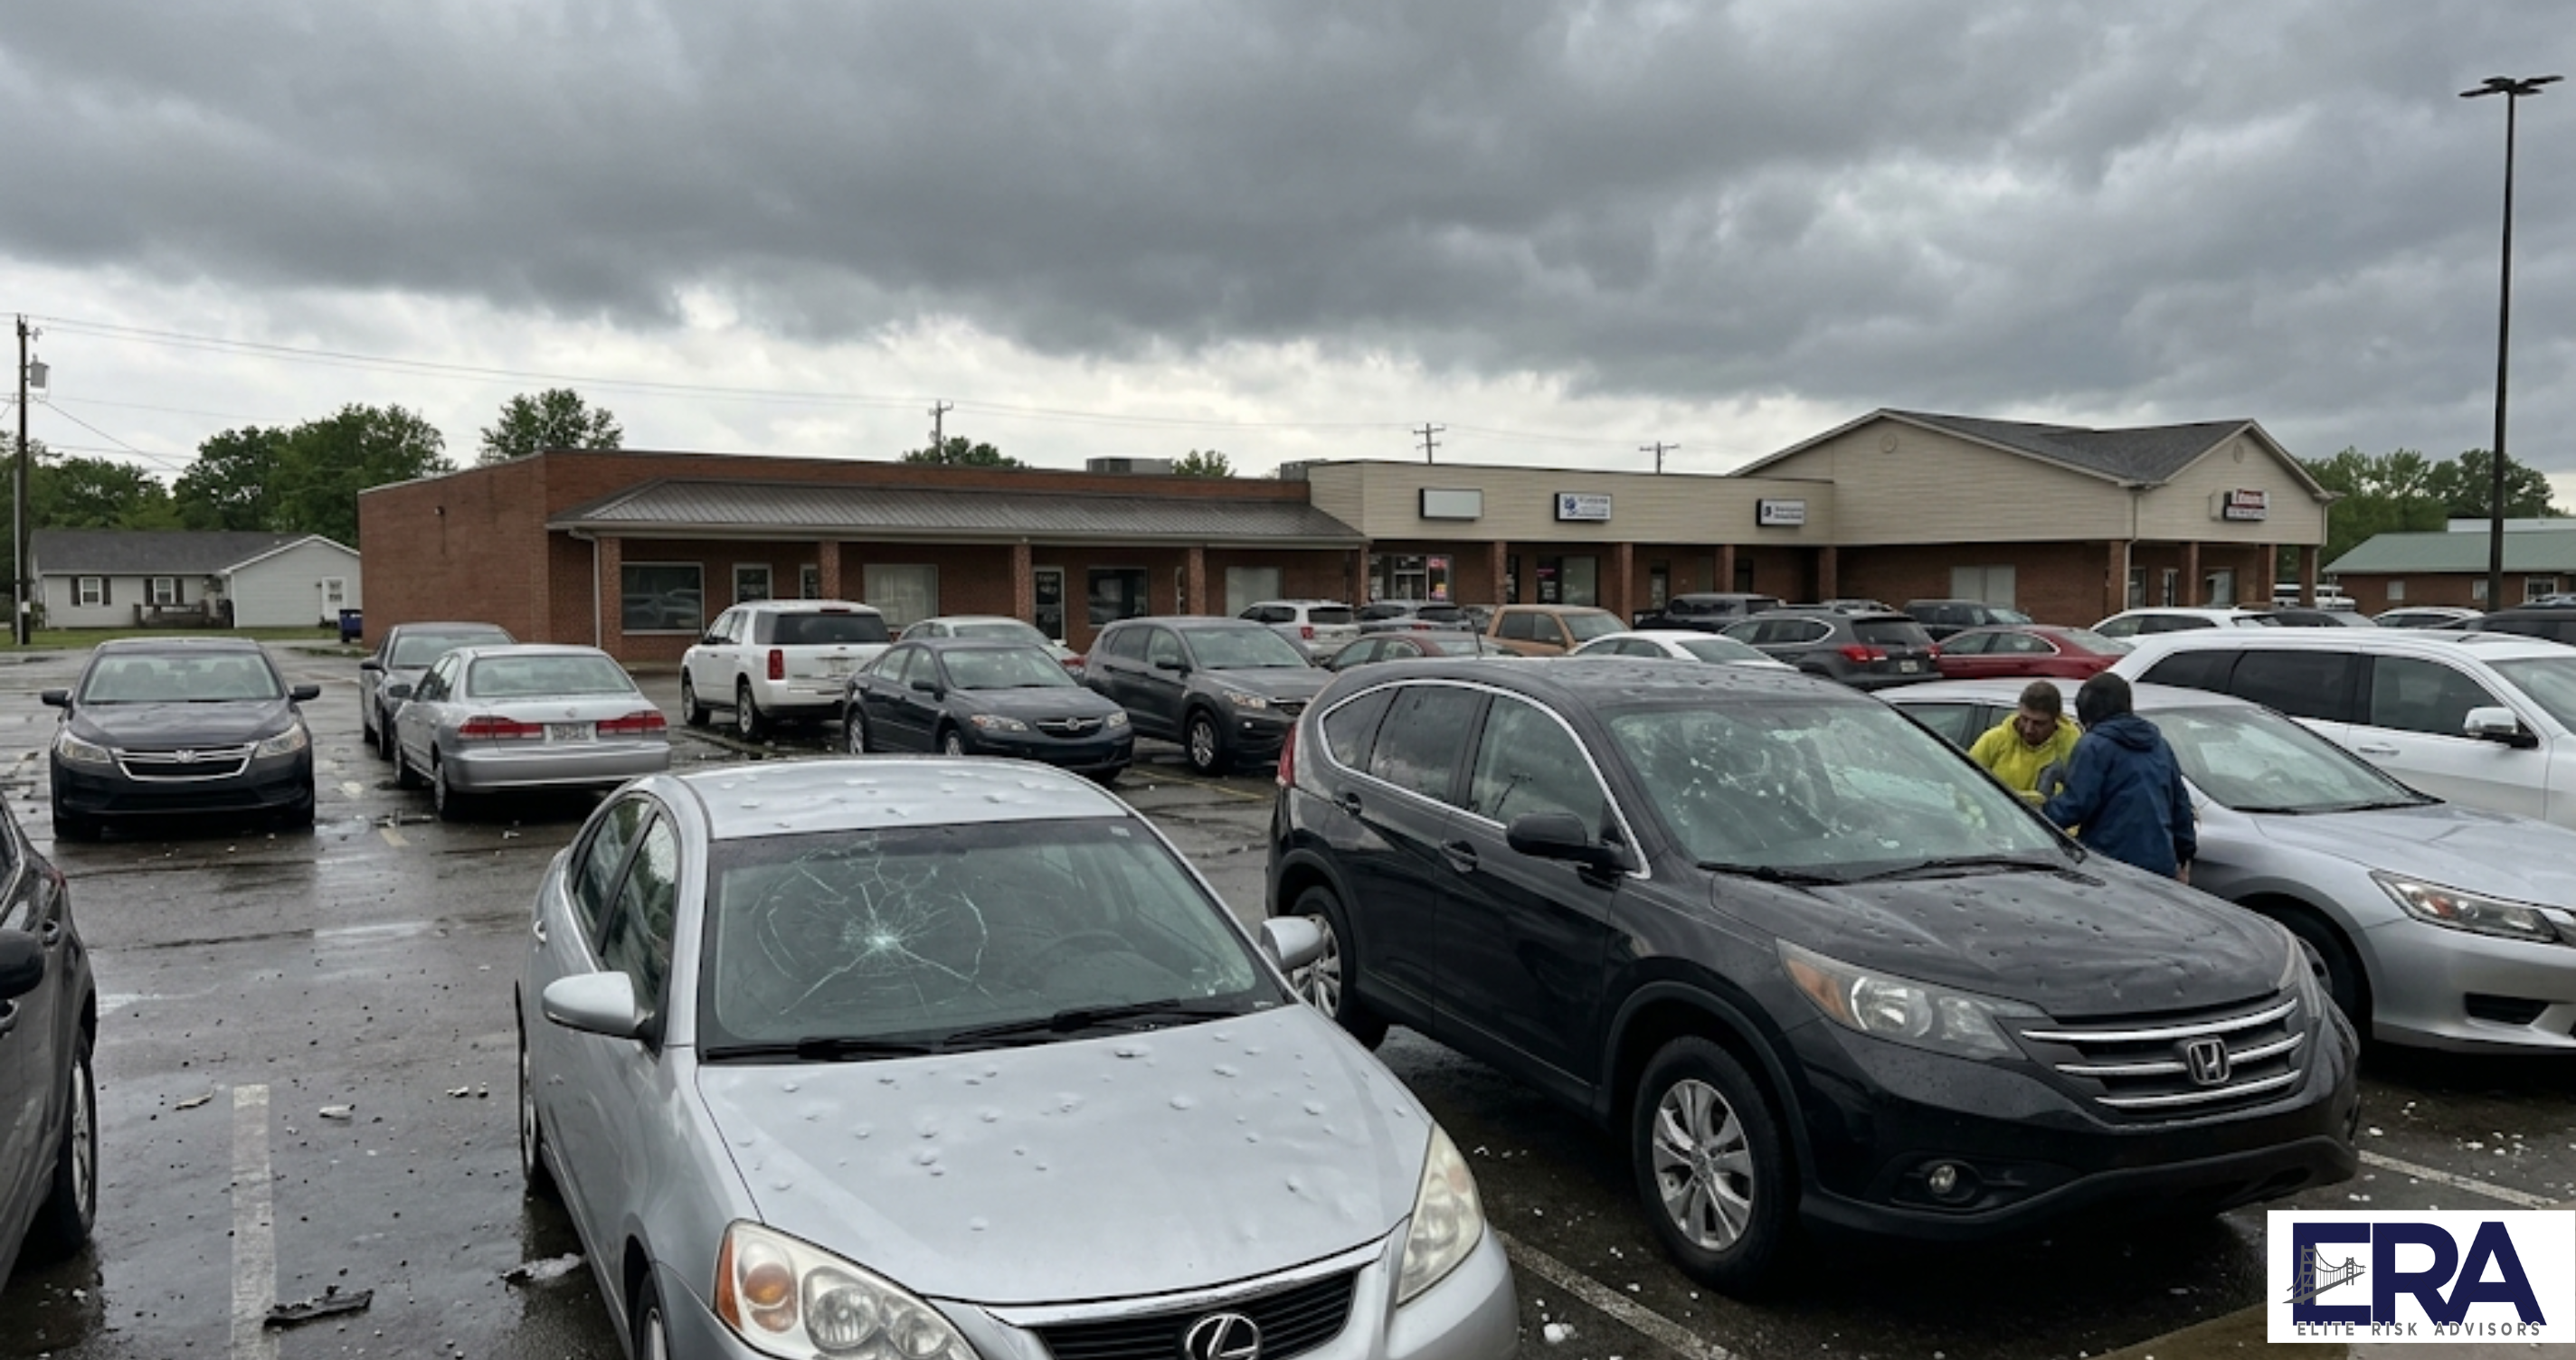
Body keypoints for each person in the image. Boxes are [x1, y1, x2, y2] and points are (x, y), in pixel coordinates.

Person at [2040, 674, 2195, 880]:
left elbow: (2076, 804)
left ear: (2088, 715)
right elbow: (2180, 805)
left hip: (2110, 863)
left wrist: (2037, 818)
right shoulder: (2159, 744)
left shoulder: (2093, 745)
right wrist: (2184, 855)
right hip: (2160, 863)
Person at [1966, 681, 2080, 804]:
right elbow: (1965, 783)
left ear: (2056, 719)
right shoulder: (1993, 740)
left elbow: (2077, 799)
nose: (2028, 729)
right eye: (2024, 719)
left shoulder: (2073, 748)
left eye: (2038, 723)